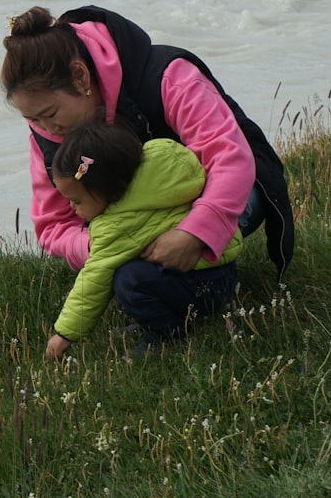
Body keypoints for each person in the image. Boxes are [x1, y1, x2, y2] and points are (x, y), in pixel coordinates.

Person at [0, 4, 293, 286]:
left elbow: (231, 161)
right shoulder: (45, 134)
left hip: (236, 191)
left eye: (50, 114)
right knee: (137, 274)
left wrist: (195, 233)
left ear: (80, 76)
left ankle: (211, 284)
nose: (48, 129)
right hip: (139, 219)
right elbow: (53, 226)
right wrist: (97, 247)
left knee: (147, 272)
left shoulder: (169, 77)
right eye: (33, 120)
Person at [44, 121, 242, 359]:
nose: (71, 207)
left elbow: (93, 281)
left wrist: (65, 334)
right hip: (223, 270)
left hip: (204, 288)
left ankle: (166, 336)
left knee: (129, 280)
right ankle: (157, 316)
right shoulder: (164, 164)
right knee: (135, 272)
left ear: (107, 190)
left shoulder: (115, 226)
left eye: (77, 200)